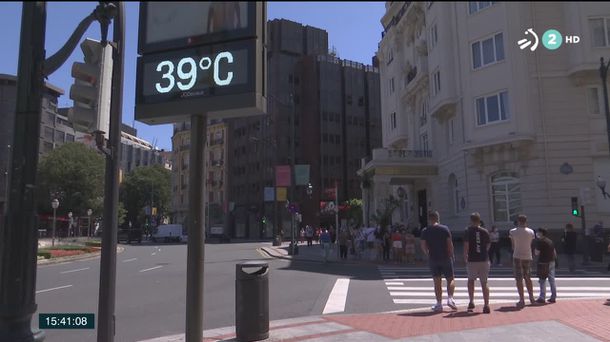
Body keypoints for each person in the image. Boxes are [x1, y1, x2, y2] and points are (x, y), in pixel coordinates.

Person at [420, 211, 457, 312]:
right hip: (445, 257)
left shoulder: (425, 230)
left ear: (429, 219)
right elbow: (449, 244)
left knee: (437, 281)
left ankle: (439, 304)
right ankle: (450, 298)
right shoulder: (444, 229)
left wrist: (427, 254)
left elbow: (423, 245)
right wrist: (452, 254)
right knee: (450, 279)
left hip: (433, 258)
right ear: (438, 218)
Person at [463, 213, 491, 314]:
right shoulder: (484, 231)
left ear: (471, 220)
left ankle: (471, 301)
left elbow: (466, 245)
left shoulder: (468, 231)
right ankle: (486, 304)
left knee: (471, 280)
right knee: (484, 282)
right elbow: (488, 244)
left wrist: (465, 256)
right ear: (479, 220)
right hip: (484, 259)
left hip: (472, 259)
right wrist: (483, 251)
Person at [509, 214, 536, 308]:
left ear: (518, 221)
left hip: (517, 256)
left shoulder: (512, 232)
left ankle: (522, 299)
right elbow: (530, 244)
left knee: (519, 279)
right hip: (528, 256)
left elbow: (512, 245)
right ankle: (531, 298)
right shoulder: (531, 232)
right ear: (526, 221)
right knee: (528, 277)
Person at [535, 227, 557, 303]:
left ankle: (542, 297)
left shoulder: (540, 242)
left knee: (542, 280)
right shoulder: (550, 241)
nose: (537, 234)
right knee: (552, 280)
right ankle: (553, 296)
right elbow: (554, 252)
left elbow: (536, 253)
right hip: (552, 261)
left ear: (541, 233)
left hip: (543, 262)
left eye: (538, 232)